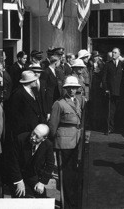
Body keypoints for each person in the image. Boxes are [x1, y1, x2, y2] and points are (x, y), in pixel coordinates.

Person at [48, 76, 84, 208]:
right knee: (65, 176)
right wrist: (53, 144)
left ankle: (72, 201)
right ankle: (66, 204)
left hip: (75, 141)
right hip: (63, 142)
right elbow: (53, 126)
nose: (72, 90)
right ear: (65, 89)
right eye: (69, 88)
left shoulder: (77, 101)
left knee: (73, 173)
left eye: (74, 88)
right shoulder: (59, 103)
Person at [7, 124, 55, 198]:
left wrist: (42, 182)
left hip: (33, 176)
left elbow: (50, 164)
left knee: (42, 197)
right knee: (22, 196)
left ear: (44, 138)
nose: (33, 137)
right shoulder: (20, 139)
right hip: (17, 175)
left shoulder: (48, 145)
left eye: (37, 137)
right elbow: (13, 162)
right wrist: (19, 182)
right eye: (33, 133)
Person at [7, 71, 46, 140]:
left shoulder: (34, 91)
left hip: (34, 128)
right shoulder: (18, 93)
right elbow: (13, 113)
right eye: (34, 80)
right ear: (29, 81)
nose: (36, 82)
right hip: (24, 130)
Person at [102, 47, 124, 135]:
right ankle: (109, 128)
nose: (113, 54)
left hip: (120, 91)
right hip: (110, 91)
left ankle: (118, 127)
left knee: (119, 110)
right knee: (110, 110)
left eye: (115, 52)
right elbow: (104, 78)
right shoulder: (108, 64)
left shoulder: (123, 65)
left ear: (119, 54)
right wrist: (106, 89)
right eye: (112, 52)